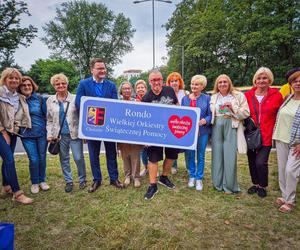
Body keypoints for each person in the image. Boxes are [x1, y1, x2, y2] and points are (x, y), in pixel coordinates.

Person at [75, 58, 123, 192]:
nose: (102, 70)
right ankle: (97, 180)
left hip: (108, 126)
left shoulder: (111, 85)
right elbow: (79, 104)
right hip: (92, 126)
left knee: (111, 153)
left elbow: (115, 105)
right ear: (92, 70)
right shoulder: (83, 84)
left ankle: (114, 178)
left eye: (104, 68)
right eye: (99, 68)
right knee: (93, 154)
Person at [245, 67, 283, 198]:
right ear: (255, 80)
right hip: (251, 134)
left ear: (270, 80)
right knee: (251, 160)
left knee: (261, 162)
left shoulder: (276, 95)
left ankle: (262, 185)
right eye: (259, 78)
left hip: (267, 134)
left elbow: (281, 114)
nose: (261, 81)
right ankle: (255, 183)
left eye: (264, 78)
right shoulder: (247, 95)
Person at [142, 70, 178, 200]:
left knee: (172, 155)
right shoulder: (146, 97)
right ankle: (153, 185)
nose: (156, 82)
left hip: (170, 130)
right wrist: (145, 137)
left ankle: (163, 177)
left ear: (162, 80)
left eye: (159, 79)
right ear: (149, 82)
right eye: (153, 80)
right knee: (153, 158)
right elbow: (143, 118)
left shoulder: (169, 90)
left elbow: (177, 105)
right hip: (154, 132)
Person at [47, 73, 87, 193]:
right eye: (58, 84)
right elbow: (49, 119)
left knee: (78, 158)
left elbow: (82, 116)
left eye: (63, 83)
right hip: (59, 136)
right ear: (54, 86)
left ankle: (82, 179)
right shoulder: (50, 100)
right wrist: (49, 133)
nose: (61, 85)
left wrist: (84, 133)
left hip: (74, 133)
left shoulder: (75, 98)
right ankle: (68, 181)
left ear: (67, 84)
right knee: (64, 158)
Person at [210, 74, 249, 194]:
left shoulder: (238, 95)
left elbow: (246, 112)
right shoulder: (213, 97)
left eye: (225, 82)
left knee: (230, 156)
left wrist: (233, 108)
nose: (222, 84)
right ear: (217, 84)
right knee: (216, 156)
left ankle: (230, 186)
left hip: (231, 125)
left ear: (229, 83)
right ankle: (218, 184)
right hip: (216, 125)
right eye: (220, 82)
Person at [0, 68, 33, 204]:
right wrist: (3, 132)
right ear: (5, 79)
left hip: (12, 131)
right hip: (2, 131)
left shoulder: (18, 96)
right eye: (11, 78)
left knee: (7, 159)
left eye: (16, 78)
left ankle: (6, 186)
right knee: (9, 160)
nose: (14, 80)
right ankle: (17, 193)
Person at [273, 69, 300, 213]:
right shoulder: (288, 98)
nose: (298, 83)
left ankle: (290, 200)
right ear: (290, 83)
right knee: (282, 169)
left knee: (291, 170)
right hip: (281, 138)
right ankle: (284, 195)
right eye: (295, 81)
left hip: (296, 142)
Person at [17, 76, 49, 194]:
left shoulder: (39, 99)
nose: (26, 87)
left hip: (41, 134)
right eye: (24, 85)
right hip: (26, 135)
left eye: (29, 85)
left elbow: (47, 116)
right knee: (34, 159)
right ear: (20, 87)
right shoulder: (17, 100)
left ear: (32, 86)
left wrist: (50, 132)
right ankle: (34, 182)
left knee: (42, 158)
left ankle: (42, 180)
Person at [181, 75, 212, 191]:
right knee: (190, 154)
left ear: (202, 86)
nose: (194, 86)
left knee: (200, 155)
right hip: (189, 133)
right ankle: (192, 176)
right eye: (193, 84)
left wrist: (205, 120)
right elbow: (181, 114)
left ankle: (199, 178)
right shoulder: (185, 99)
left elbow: (210, 114)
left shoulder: (207, 98)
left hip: (202, 131)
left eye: (197, 84)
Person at [118, 81, 143, 188]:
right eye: (125, 89)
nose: (127, 90)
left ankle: (136, 177)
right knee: (125, 155)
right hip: (122, 134)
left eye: (129, 88)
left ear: (131, 90)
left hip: (135, 134)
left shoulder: (137, 102)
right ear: (121, 91)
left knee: (135, 155)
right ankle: (127, 176)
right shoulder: (116, 103)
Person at [166, 72, 188, 174]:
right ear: (169, 83)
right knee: (172, 145)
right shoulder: (166, 92)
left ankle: (189, 165)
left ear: (180, 82)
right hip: (171, 123)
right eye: (172, 81)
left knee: (186, 145)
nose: (174, 83)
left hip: (183, 123)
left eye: (176, 81)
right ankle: (173, 166)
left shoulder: (185, 93)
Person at [134, 79, 149, 177]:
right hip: (139, 130)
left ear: (146, 89)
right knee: (142, 151)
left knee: (152, 150)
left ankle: (154, 168)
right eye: (138, 88)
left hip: (150, 128)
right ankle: (146, 168)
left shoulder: (151, 99)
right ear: (136, 90)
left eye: (142, 87)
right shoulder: (134, 101)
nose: (140, 89)